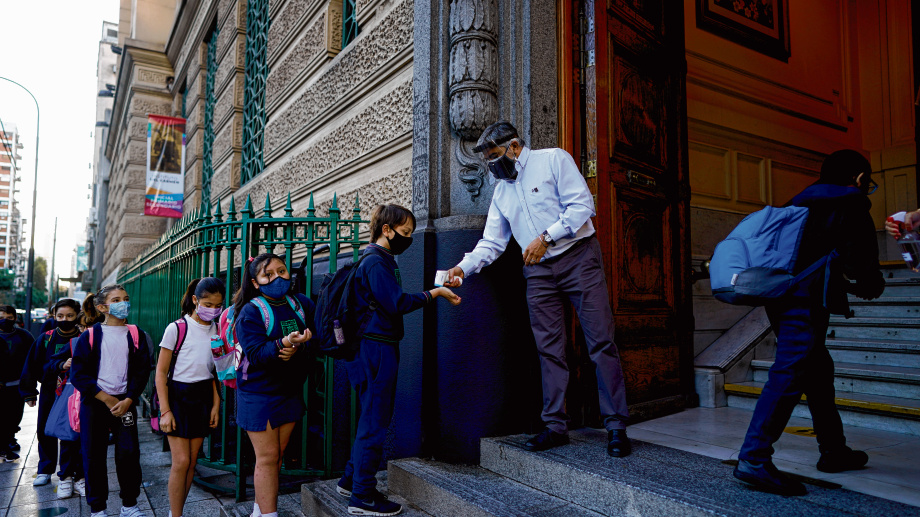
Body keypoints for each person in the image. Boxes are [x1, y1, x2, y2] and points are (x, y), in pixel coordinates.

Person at [442, 121, 631, 458]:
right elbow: (492, 243)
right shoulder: (501, 192)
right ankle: (555, 426)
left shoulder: (553, 160)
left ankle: (616, 425)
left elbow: (583, 206)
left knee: (600, 341)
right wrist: (462, 268)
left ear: (514, 146)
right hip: (538, 274)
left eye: (495, 156)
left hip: (579, 258)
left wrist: (547, 237)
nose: (492, 165)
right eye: (487, 160)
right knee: (549, 348)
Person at [732, 149, 885, 496]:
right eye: (868, 182)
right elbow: (861, 261)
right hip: (805, 297)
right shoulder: (851, 200)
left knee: (817, 367)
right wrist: (869, 284)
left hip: (779, 294)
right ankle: (754, 458)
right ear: (859, 178)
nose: (867, 188)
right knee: (790, 370)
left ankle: (833, 450)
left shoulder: (799, 199)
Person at [336, 204, 461, 517]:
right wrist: (437, 293)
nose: (407, 239)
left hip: (370, 348)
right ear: (386, 229)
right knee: (375, 421)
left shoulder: (376, 259)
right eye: (404, 233)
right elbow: (396, 303)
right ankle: (362, 495)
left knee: (370, 417)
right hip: (376, 350)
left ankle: (351, 480)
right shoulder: (377, 262)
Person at [233, 253, 314, 517]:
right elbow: (255, 354)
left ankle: (260, 509)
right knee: (267, 458)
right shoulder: (251, 311)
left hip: (289, 390)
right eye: (268, 275)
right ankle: (269, 515)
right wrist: (283, 344)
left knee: (276, 456)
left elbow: (319, 338)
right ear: (256, 282)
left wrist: (300, 346)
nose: (277, 278)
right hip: (259, 393)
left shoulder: (300, 303)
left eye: (282, 271)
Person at [70, 285, 152, 517]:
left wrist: (128, 399)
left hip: (124, 404)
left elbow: (141, 370)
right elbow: (79, 374)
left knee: (128, 453)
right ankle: (98, 508)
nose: (123, 303)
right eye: (116, 299)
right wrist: (105, 398)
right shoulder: (91, 335)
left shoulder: (135, 334)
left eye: (125, 298)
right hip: (95, 403)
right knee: (93, 454)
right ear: (102, 307)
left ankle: (129, 504)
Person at [155, 278, 224, 517]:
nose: (213, 310)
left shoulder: (217, 329)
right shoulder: (176, 328)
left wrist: (216, 405)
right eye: (207, 303)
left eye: (218, 305)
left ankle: (180, 512)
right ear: (195, 300)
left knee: (192, 463)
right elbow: (161, 373)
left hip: (203, 395)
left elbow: (215, 371)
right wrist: (165, 411)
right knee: (181, 461)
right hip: (178, 396)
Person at [19, 299, 85, 497]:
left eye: (70, 316)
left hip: (76, 393)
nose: (65, 320)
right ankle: (45, 469)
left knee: (73, 432)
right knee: (45, 429)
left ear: (77, 316)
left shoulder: (83, 337)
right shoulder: (46, 338)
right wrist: (29, 392)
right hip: (50, 391)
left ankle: (73, 473)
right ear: (54, 317)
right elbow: (32, 365)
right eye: (60, 316)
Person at [0, 304, 32, 462]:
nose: (5, 321)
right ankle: (4, 447)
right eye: (1, 318)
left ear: (15, 318)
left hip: (17, 385)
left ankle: (9, 439)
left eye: (9, 318)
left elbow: (33, 358)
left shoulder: (24, 336)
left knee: (14, 416)